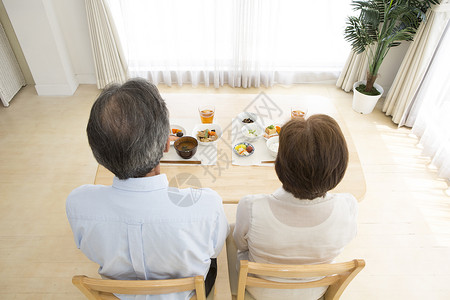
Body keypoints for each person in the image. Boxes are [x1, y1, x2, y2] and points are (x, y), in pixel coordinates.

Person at [66, 78, 229, 300]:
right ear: (166, 144)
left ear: (98, 154)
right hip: (186, 293)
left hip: (120, 293)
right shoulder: (207, 205)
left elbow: (88, 249)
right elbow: (213, 251)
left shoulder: (78, 203)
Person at [232, 114, 358, 300]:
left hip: (259, 290)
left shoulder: (251, 207)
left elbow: (239, 244)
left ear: (280, 165)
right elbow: (345, 242)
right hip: (314, 291)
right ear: (340, 167)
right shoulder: (348, 206)